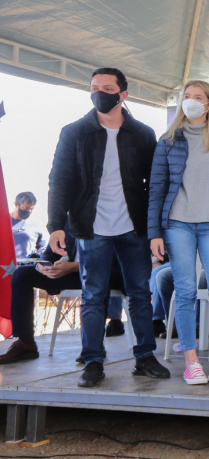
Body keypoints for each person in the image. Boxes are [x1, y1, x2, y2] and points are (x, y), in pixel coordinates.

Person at [47, 67, 168, 387]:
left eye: (106, 87)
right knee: (93, 296)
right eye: (94, 87)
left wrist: (156, 228)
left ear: (122, 94)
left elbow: (156, 185)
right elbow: (60, 181)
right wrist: (55, 225)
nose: (99, 92)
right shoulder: (74, 132)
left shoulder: (142, 133)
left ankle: (144, 357)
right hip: (91, 228)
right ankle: (93, 360)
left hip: (134, 228)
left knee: (141, 294)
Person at [148, 80, 209, 385]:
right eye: (186, 97)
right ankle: (192, 362)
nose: (190, 102)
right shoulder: (168, 142)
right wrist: (154, 233)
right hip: (177, 225)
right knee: (185, 293)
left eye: (197, 97)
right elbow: (157, 189)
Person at [0, 224, 123, 364]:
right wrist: (44, 265)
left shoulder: (108, 218)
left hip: (105, 272)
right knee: (21, 275)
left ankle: (93, 346)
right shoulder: (71, 219)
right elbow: (49, 252)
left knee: (96, 278)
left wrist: (74, 267)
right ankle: (26, 342)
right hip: (73, 273)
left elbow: (111, 259)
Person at [10, 192, 46, 258]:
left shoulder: (36, 225)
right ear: (16, 204)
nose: (29, 211)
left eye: (31, 209)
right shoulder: (3, 221)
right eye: (26, 208)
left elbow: (42, 247)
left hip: (25, 265)